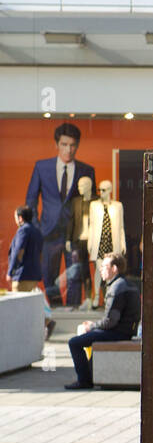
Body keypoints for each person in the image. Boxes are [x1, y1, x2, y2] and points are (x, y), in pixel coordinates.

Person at [24, 122, 94, 307]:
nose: (68, 150)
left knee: (75, 275)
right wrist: (37, 228)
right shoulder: (42, 167)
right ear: (56, 145)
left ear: (77, 145)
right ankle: (55, 311)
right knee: (49, 276)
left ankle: (72, 311)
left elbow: (91, 206)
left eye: (72, 145)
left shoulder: (87, 170)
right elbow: (31, 200)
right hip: (48, 232)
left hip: (76, 234)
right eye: (64, 144)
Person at [66, 254, 138, 390]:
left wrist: (91, 326)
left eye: (104, 267)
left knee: (74, 343)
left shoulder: (117, 287)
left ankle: (84, 381)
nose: (101, 270)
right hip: (126, 330)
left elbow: (110, 321)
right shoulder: (127, 284)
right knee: (92, 338)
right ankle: (91, 376)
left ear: (114, 268)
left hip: (118, 333)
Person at [7, 205, 43, 292]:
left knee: (17, 304)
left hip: (22, 276)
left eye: (15, 217)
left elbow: (18, 251)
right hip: (34, 276)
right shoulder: (37, 231)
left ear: (20, 218)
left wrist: (10, 272)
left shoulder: (23, 230)